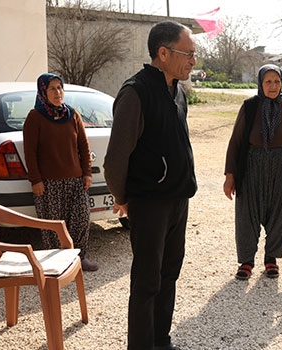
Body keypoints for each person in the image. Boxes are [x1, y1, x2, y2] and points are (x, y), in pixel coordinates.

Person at [103, 21, 197, 350]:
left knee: (169, 275)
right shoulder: (136, 92)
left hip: (178, 200)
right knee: (146, 282)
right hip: (149, 204)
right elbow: (116, 159)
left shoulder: (178, 91)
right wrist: (123, 198)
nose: (193, 61)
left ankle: (161, 340)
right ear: (163, 53)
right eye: (188, 54)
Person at [223, 64, 282, 280]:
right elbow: (235, 142)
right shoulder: (250, 107)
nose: (273, 86)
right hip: (252, 166)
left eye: (277, 81)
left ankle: (271, 259)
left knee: (280, 213)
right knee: (248, 214)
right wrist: (230, 176)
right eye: (268, 81)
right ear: (260, 84)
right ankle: (246, 262)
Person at [23, 73, 98, 272]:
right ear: (42, 92)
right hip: (49, 184)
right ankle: (56, 263)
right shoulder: (35, 118)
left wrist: (87, 173)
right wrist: (36, 180)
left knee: (81, 218)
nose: (58, 93)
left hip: (75, 181)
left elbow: (83, 145)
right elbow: (30, 152)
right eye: (52, 89)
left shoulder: (72, 114)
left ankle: (80, 258)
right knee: (54, 226)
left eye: (60, 88)